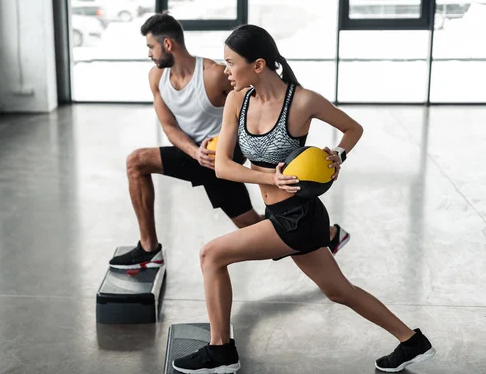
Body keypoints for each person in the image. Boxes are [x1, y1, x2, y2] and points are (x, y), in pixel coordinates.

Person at [171, 24, 435, 374]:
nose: (225, 70)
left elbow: (353, 128)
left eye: (231, 62)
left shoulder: (302, 101)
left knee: (212, 255)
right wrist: (269, 176)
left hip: (297, 216)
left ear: (259, 65)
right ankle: (412, 341)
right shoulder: (239, 99)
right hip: (282, 213)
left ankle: (221, 351)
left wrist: (339, 154)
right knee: (339, 291)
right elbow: (223, 167)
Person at [109, 13, 350, 270]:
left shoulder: (215, 75)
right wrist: (194, 152)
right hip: (194, 155)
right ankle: (149, 250)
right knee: (137, 162)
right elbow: (169, 126)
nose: (149, 54)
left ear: (167, 44)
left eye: (151, 47)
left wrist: (233, 149)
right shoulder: (156, 78)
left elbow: (253, 114)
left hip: (220, 159)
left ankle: (326, 234)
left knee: (255, 226)